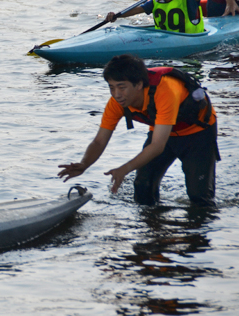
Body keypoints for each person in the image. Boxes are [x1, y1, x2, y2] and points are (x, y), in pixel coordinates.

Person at [58, 54, 219, 207]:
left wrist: (124, 169)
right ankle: (152, 228)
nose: (116, 94)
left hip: (198, 133)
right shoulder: (116, 103)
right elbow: (99, 141)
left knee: (199, 197)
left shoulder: (165, 91)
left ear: (139, 84)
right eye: (112, 88)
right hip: (162, 131)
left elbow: (157, 146)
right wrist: (84, 164)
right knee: (142, 186)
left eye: (122, 87)